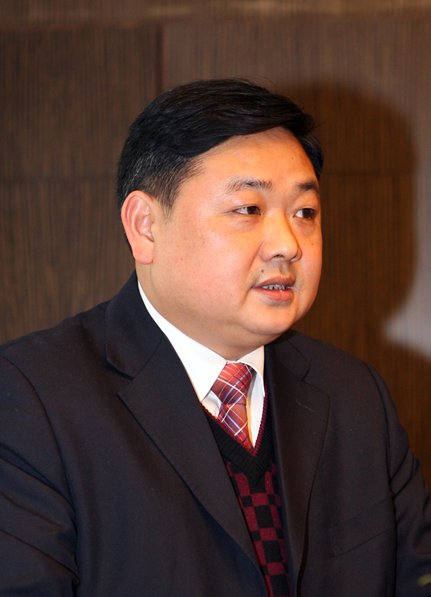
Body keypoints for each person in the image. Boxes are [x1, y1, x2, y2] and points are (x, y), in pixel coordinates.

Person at [0, 79, 430, 597]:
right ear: (145, 226)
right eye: (248, 209)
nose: (288, 245)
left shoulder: (354, 394)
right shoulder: (30, 400)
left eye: (305, 213)